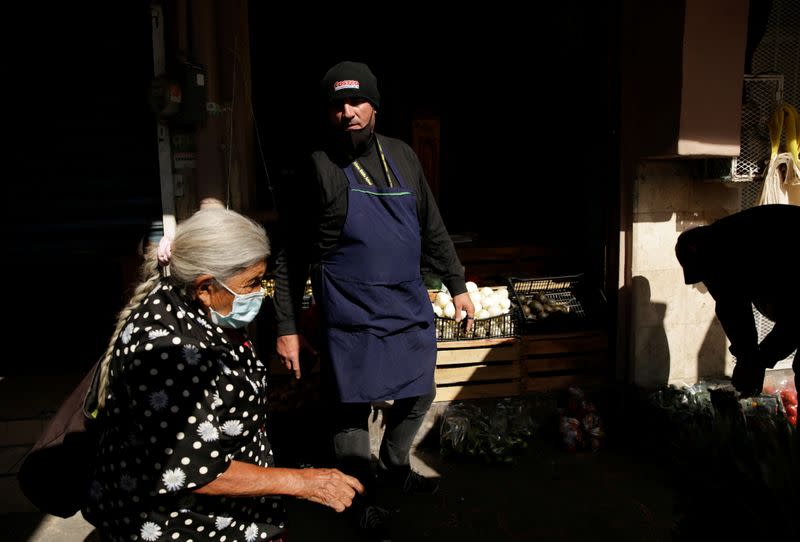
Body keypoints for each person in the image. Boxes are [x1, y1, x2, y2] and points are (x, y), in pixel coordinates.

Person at [273, 61, 474, 538]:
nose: (349, 112)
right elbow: (290, 257)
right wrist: (286, 327)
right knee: (350, 409)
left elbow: (433, 228)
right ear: (329, 113)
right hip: (349, 311)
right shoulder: (316, 166)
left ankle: (395, 463)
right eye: (338, 105)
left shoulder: (403, 156)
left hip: (405, 301)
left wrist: (458, 284)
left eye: (357, 101)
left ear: (375, 105)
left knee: (420, 391)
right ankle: (361, 495)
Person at [82, 208, 364, 542]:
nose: (260, 292)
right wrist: (303, 483)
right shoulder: (173, 358)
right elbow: (193, 469)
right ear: (204, 287)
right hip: (183, 526)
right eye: (252, 283)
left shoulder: (185, 302)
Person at [675, 204, 800, 397]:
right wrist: (748, 358)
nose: (708, 284)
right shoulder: (724, 252)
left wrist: (759, 360)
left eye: (707, 275)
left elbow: (797, 318)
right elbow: (731, 306)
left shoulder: (744, 246)